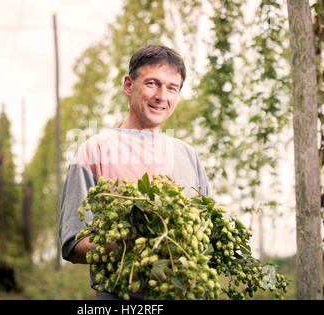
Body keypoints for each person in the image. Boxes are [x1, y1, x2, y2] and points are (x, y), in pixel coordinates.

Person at [58, 44, 211, 300]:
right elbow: (73, 245)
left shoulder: (188, 155)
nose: (162, 96)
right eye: (152, 83)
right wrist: (131, 245)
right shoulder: (93, 151)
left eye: (172, 88)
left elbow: (207, 228)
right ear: (129, 85)